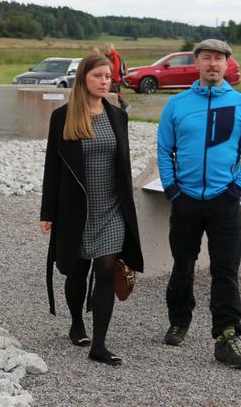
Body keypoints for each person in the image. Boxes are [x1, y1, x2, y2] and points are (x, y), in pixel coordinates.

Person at [156, 38, 241, 370]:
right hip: (185, 199)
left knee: (225, 271)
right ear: (197, 63)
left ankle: (226, 336)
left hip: (224, 202)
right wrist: (173, 189)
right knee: (182, 265)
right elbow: (164, 151)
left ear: (228, 64)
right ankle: (179, 320)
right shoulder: (177, 104)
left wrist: (236, 189)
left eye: (219, 59)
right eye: (206, 58)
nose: (213, 64)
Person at [40, 54, 144, 366]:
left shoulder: (117, 115)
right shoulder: (63, 117)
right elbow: (52, 168)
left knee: (106, 270)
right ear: (84, 77)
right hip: (76, 210)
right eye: (98, 75)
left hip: (112, 208)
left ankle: (99, 344)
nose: (104, 81)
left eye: (108, 77)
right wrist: (48, 212)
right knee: (77, 271)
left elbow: (122, 166)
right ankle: (76, 322)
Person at [103, 43, 128, 112]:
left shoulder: (114, 56)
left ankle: (124, 105)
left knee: (114, 92)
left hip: (115, 79)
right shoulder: (112, 56)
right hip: (115, 78)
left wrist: (112, 78)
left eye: (105, 49)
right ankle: (123, 106)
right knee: (116, 92)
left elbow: (116, 69)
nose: (104, 51)